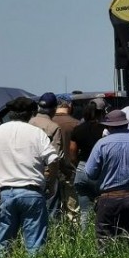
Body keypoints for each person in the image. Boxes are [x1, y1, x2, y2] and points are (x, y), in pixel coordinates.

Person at [0, 97, 59, 258]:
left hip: (5, 193)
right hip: (32, 192)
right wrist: (51, 182)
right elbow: (53, 159)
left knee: (2, 241)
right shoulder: (37, 133)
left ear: (11, 113)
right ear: (31, 114)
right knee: (35, 244)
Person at [85, 110, 129, 251]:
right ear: (126, 125)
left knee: (105, 245)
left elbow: (90, 173)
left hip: (109, 200)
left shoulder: (101, 144)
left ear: (109, 127)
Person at [70, 98, 107, 230]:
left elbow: (72, 152)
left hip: (82, 169)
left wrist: (77, 165)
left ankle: (84, 240)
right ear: (101, 113)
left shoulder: (78, 129)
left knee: (85, 211)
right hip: (100, 172)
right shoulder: (105, 130)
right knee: (104, 210)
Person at [29, 92, 64, 220]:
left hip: (27, 171)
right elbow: (56, 155)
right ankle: (51, 236)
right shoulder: (53, 127)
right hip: (46, 172)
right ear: (54, 109)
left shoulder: (28, 123)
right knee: (51, 211)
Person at [51, 94, 80, 224]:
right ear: (69, 105)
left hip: (51, 173)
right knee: (72, 210)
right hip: (71, 172)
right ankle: (73, 238)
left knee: (53, 210)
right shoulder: (76, 124)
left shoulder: (48, 123)